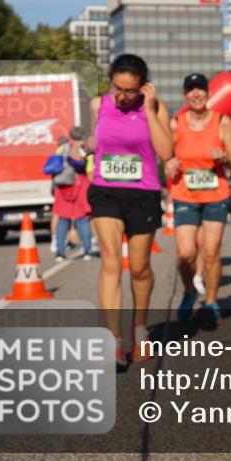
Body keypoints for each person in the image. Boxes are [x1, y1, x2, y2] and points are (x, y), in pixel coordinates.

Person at [88, 54, 173, 369]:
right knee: (111, 261)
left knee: (139, 268)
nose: (123, 97)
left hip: (143, 193)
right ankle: (113, 340)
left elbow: (166, 151)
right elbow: (93, 140)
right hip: (106, 192)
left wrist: (149, 110)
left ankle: (139, 327)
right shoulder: (99, 106)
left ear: (144, 87)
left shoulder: (156, 107)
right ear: (111, 81)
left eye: (131, 91)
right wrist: (81, 146)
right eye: (118, 89)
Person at [165, 73, 231, 327]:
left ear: (208, 93)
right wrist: (169, 162)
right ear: (185, 95)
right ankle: (189, 290)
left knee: (210, 252)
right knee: (186, 253)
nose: (196, 94)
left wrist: (224, 158)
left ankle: (211, 301)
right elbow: (165, 154)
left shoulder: (223, 121)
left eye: (200, 90)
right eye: (191, 90)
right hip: (185, 193)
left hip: (215, 194)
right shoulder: (176, 123)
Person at [52, 127, 95, 261]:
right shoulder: (83, 150)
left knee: (63, 219)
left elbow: (55, 166)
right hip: (80, 185)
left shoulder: (61, 148)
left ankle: (60, 252)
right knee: (83, 219)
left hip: (63, 187)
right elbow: (88, 170)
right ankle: (87, 250)